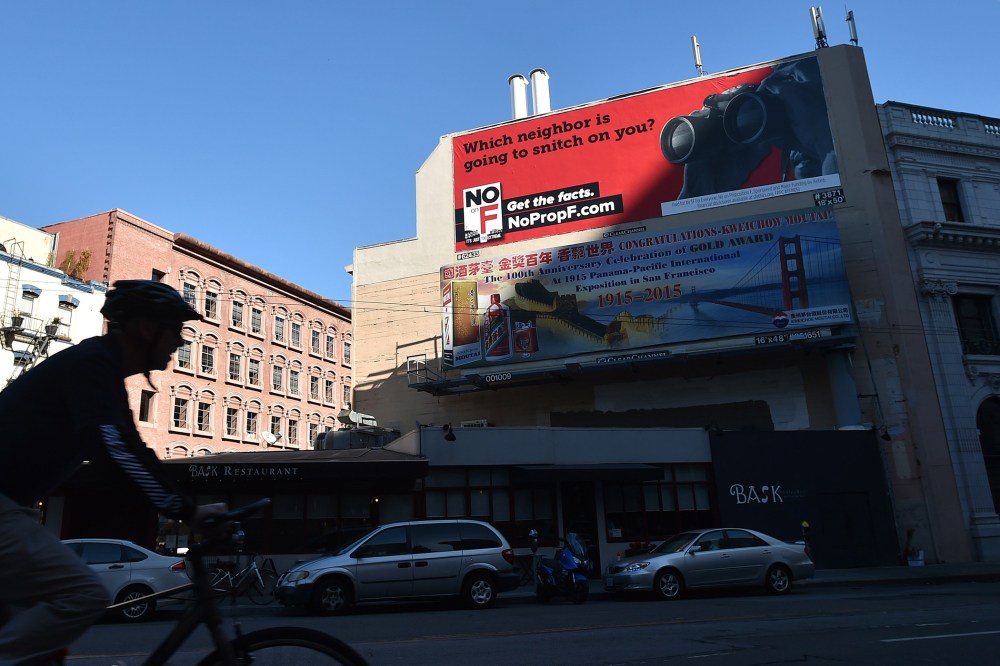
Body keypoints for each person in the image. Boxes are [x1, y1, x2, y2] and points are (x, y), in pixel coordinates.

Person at [0, 279, 229, 666]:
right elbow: (114, 451)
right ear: (145, 328)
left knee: (33, 634)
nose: (179, 340)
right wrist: (187, 512)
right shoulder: (91, 366)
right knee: (84, 595)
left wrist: (185, 506)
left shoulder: (103, 371)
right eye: (175, 329)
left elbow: (135, 449)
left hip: (13, 505)